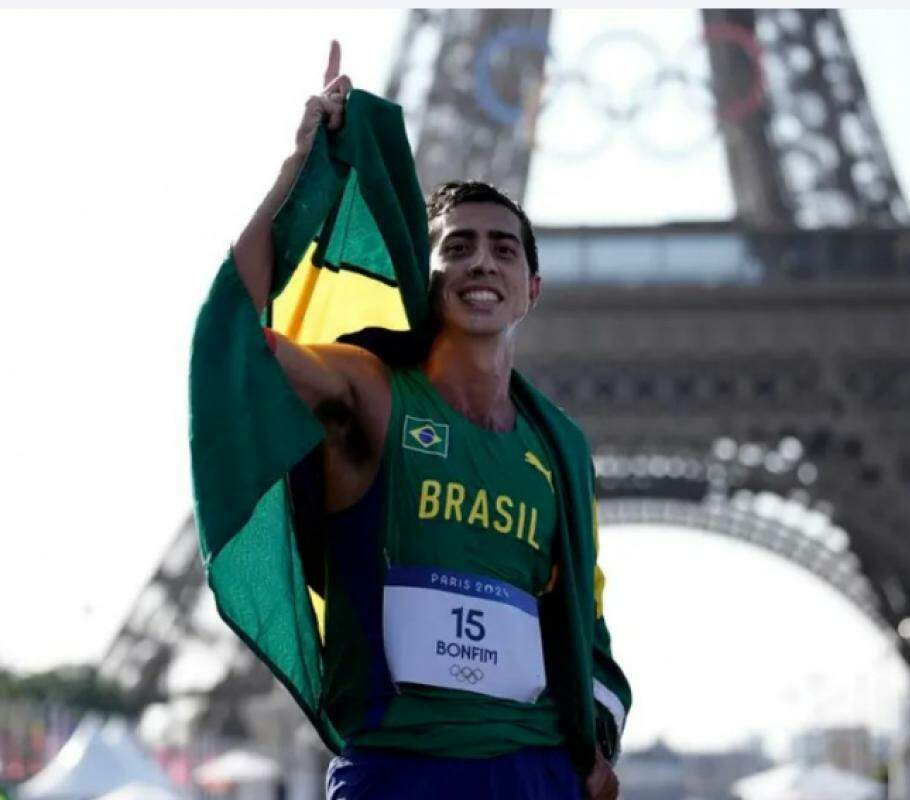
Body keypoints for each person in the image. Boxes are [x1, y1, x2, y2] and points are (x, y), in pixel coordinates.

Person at [227, 41, 628, 799]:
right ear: (428, 275)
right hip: (401, 768)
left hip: (534, 767)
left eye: (503, 250)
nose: (482, 262)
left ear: (530, 287)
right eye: (460, 247)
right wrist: (297, 174)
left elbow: (583, 617)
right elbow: (242, 342)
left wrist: (596, 744)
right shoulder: (372, 393)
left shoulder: (558, 449)